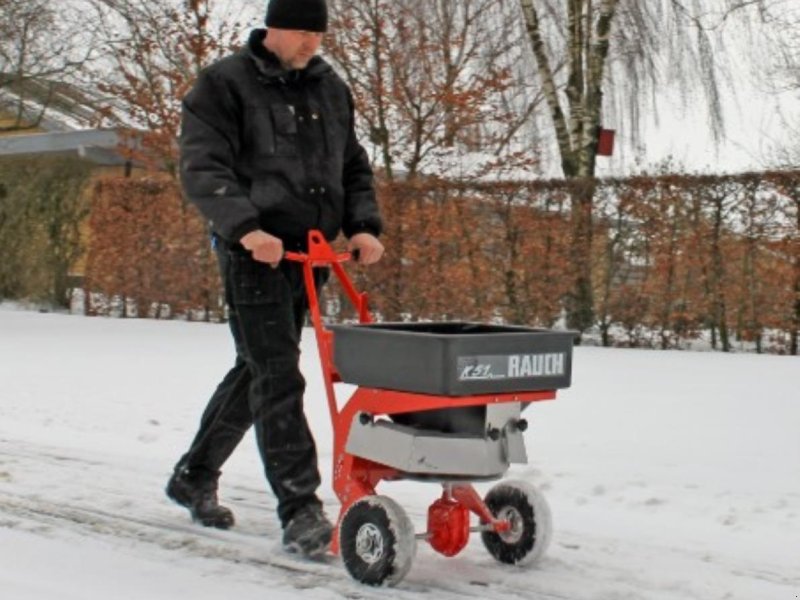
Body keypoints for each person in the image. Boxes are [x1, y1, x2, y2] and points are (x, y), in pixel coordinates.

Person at [166, 0, 384, 558]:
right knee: (278, 376)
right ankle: (300, 510)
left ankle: (193, 475)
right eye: (304, 32)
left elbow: (352, 163)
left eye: (319, 33)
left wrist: (362, 226)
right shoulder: (224, 84)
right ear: (275, 27)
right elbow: (202, 166)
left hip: (310, 256)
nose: (313, 43)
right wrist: (245, 228)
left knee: (258, 370)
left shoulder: (330, 88)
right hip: (254, 256)